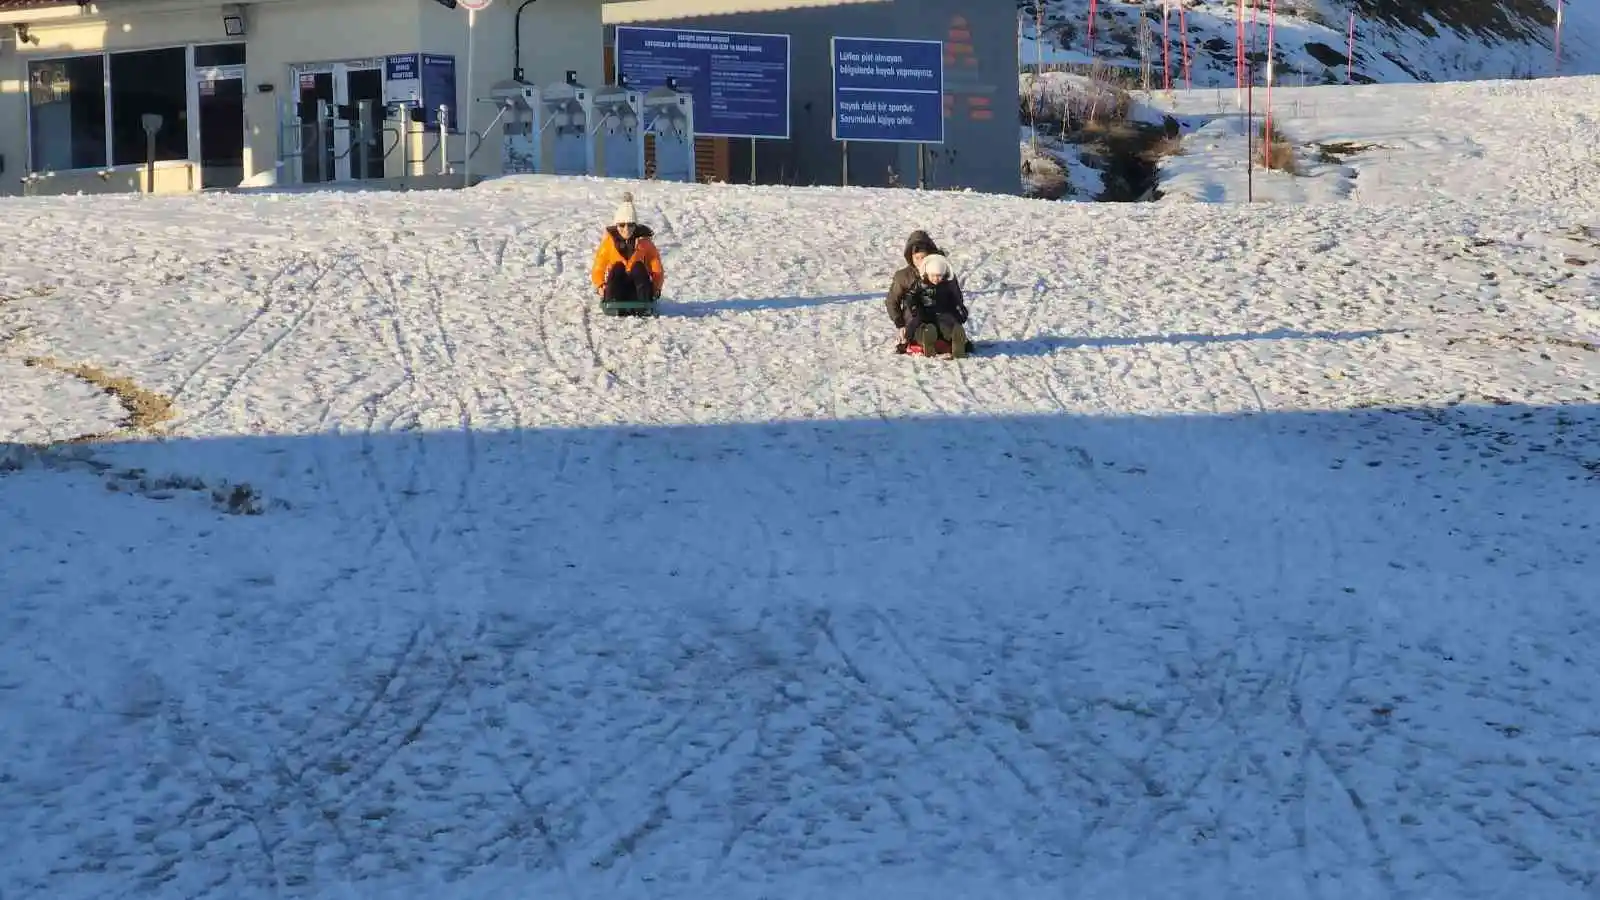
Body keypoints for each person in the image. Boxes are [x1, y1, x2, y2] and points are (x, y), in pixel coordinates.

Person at [590, 192, 664, 312]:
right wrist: (600, 285)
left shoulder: (644, 243)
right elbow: (598, 267)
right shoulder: (609, 243)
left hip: (638, 289)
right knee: (618, 267)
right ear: (616, 225)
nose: (626, 229)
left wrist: (656, 288)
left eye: (630, 225)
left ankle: (643, 304)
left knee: (638, 267)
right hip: (617, 287)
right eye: (622, 225)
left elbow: (657, 269)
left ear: (635, 226)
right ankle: (613, 301)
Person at [899, 253, 970, 358]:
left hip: (942, 313)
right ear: (927, 273)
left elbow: (954, 300)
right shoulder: (920, 284)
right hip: (924, 314)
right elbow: (910, 296)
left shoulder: (947, 286)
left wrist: (960, 310)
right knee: (919, 325)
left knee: (948, 325)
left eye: (939, 276)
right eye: (933, 275)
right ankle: (921, 339)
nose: (936, 279)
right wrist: (915, 309)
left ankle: (956, 338)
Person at [885, 229, 943, 346]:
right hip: (914, 319)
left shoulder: (942, 272)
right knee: (917, 319)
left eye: (924, 257)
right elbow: (892, 302)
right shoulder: (903, 276)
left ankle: (952, 337)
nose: (921, 262)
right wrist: (900, 324)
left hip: (938, 315)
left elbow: (954, 295)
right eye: (917, 258)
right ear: (910, 257)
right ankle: (924, 338)